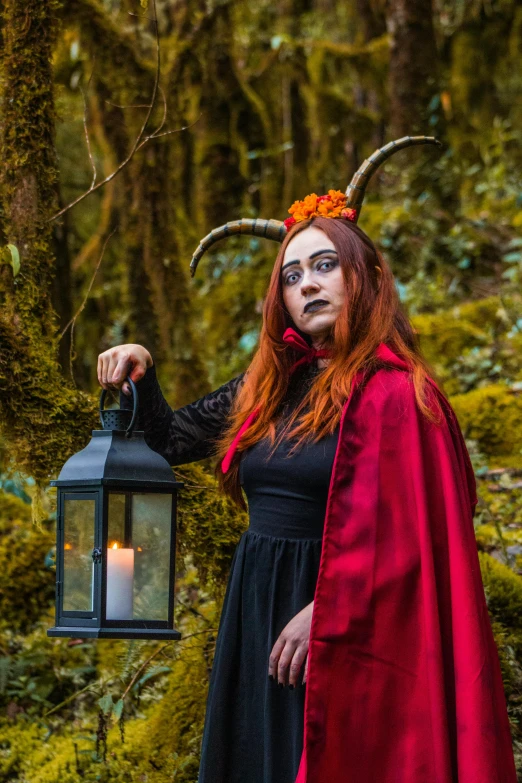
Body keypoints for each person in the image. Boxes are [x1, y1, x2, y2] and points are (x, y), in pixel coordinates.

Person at [97, 136, 517, 783]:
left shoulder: (401, 393)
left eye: (324, 265)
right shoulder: (268, 384)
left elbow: (415, 539)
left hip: (351, 620)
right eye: (292, 276)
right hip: (259, 602)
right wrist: (140, 370)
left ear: (363, 275)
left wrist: (329, 607)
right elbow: (167, 442)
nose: (308, 284)